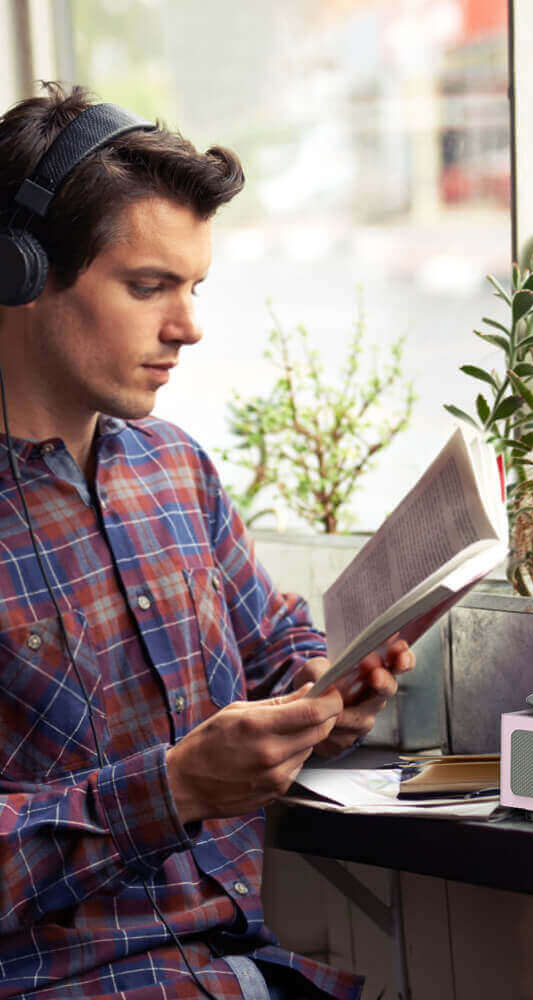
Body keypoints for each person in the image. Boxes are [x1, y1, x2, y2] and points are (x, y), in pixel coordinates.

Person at [0, 82, 414, 999]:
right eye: (149, 287)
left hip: (259, 964)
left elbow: (275, 654)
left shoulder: (173, 469)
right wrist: (177, 787)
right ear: (19, 272)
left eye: (192, 288)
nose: (188, 327)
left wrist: (324, 695)